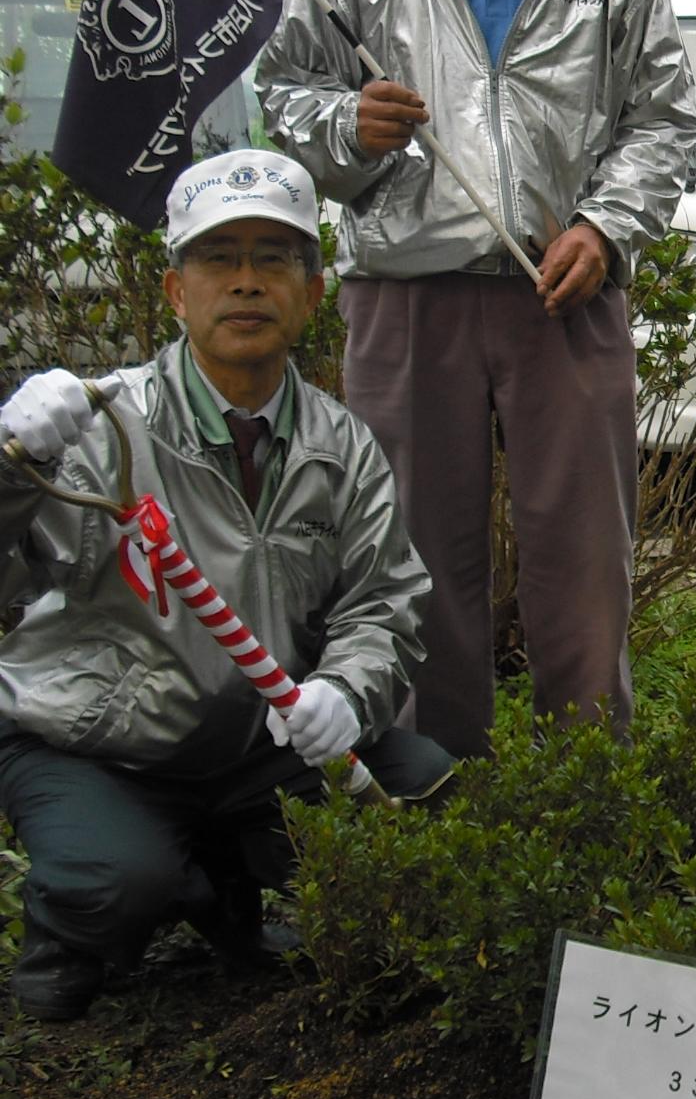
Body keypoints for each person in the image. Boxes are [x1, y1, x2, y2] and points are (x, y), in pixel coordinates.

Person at [255, 0, 696, 759]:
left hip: (567, 296)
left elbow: (665, 119)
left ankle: (588, 788)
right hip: (405, 298)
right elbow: (281, 101)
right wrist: (350, 129)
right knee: (412, 555)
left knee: (583, 558)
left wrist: (605, 228)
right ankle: (432, 792)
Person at [0, 150, 450, 1021]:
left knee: (418, 781)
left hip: (254, 750)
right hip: (100, 746)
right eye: (219, 258)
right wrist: (12, 466)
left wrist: (344, 694)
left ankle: (228, 890)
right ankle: (79, 920)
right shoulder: (99, 429)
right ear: (176, 290)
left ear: (311, 294)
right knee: (115, 883)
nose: (246, 283)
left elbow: (383, 603)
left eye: (274, 259)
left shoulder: (341, 445)